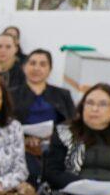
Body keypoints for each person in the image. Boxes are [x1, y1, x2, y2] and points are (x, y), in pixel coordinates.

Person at [11, 49, 75, 183]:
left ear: (50, 69)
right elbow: (6, 122)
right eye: (32, 63)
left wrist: (53, 137)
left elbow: (72, 122)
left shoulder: (62, 94)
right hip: (21, 146)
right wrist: (26, 138)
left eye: (42, 64)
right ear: (24, 67)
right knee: (31, 170)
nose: (37, 68)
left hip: (55, 144)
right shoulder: (11, 94)